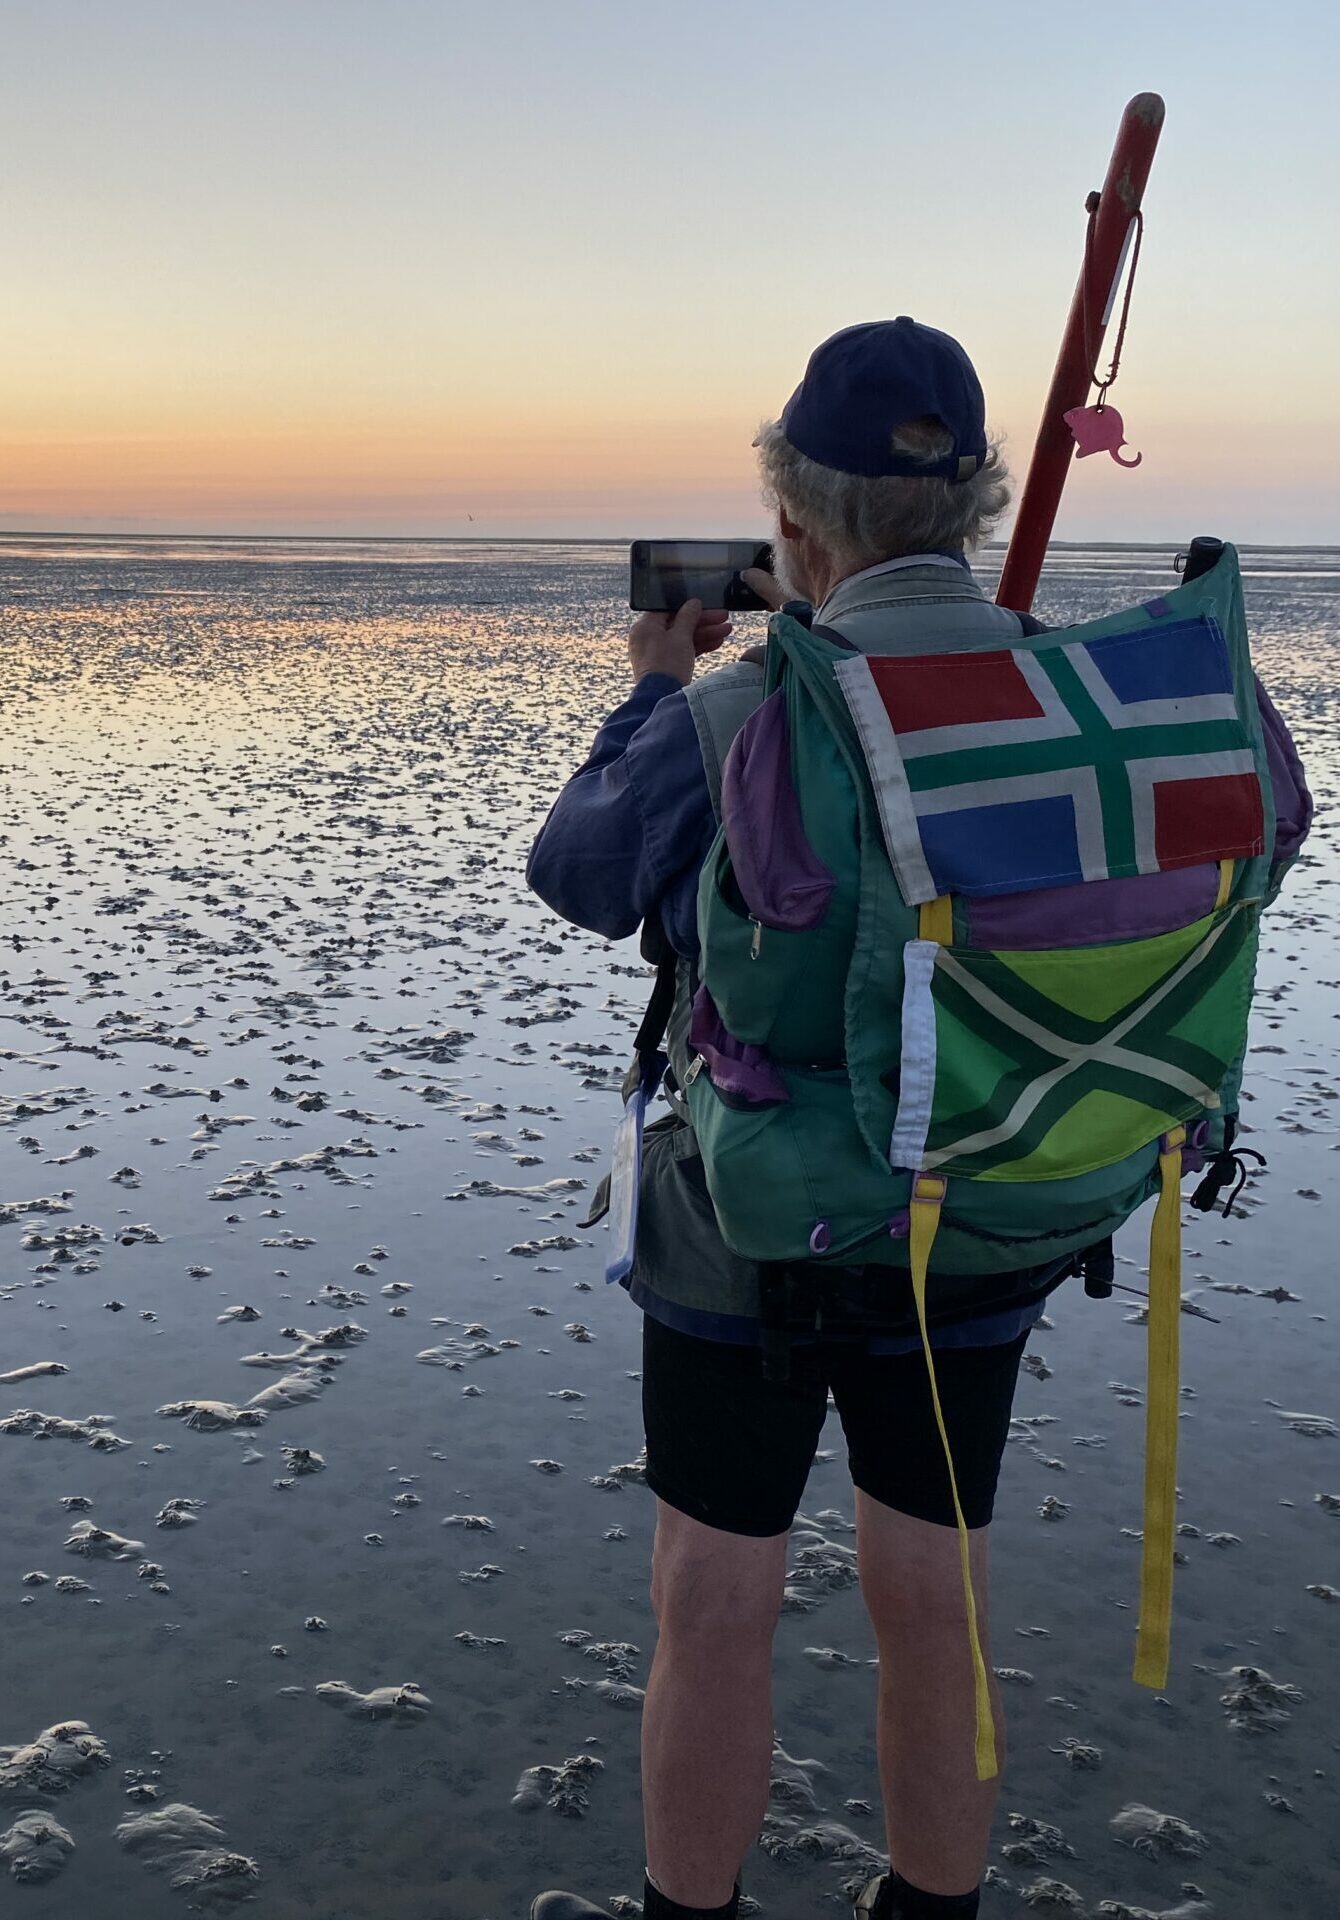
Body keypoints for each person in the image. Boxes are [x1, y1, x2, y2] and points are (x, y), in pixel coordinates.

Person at [523, 321, 1310, 1920]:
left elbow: (580, 872)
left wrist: (659, 678)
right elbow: (1266, 826)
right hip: (993, 1194)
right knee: (937, 1590)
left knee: (713, 1600)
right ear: (976, 507)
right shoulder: (1077, 706)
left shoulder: (740, 715)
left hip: (754, 1232)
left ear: (791, 522)